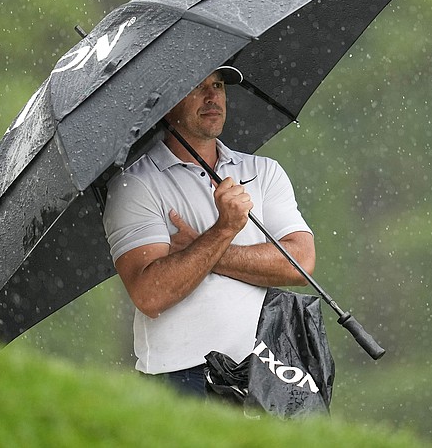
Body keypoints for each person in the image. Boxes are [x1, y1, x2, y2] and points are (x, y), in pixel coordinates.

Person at [102, 66, 315, 398]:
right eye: (196, 87)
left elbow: (299, 262)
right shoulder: (135, 184)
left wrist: (205, 251)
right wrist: (224, 229)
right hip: (181, 375)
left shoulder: (263, 171)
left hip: (265, 367)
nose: (212, 96)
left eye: (217, 85)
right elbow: (150, 294)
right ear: (166, 103)